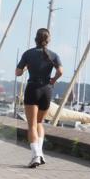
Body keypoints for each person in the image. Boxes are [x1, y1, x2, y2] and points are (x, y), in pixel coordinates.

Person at [16, 28, 63, 168]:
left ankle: (36, 155)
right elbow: (60, 71)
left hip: (33, 89)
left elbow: (17, 72)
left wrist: (25, 68)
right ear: (48, 40)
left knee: (31, 125)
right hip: (47, 90)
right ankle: (40, 153)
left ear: (35, 39)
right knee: (40, 123)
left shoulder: (28, 54)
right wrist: (53, 80)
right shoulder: (53, 55)